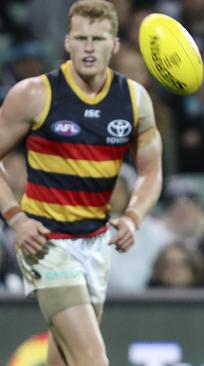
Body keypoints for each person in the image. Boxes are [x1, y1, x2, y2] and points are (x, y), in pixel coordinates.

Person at [0, 1, 163, 365]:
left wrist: (134, 216)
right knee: (92, 359)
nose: (89, 47)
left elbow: (152, 172)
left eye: (98, 39)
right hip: (47, 243)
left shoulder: (134, 101)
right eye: (81, 38)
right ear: (67, 43)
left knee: (64, 359)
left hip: (95, 243)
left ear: (115, 45)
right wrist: (16, 218)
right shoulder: (34, 95)